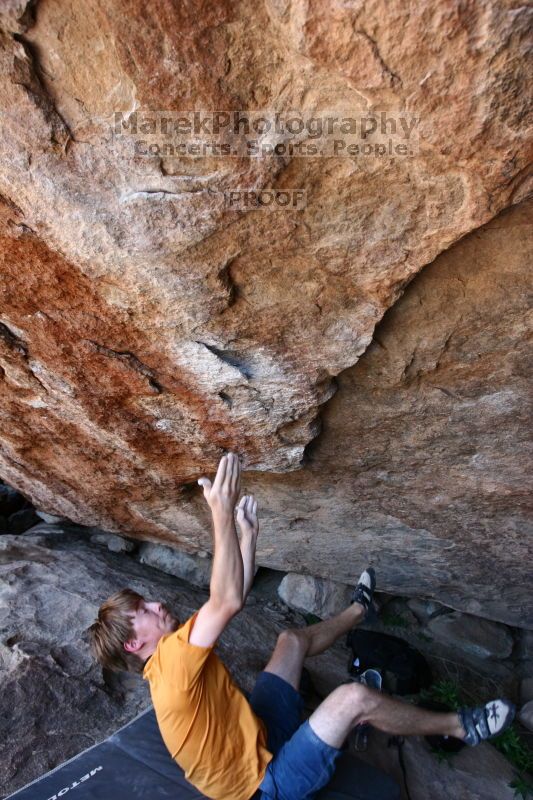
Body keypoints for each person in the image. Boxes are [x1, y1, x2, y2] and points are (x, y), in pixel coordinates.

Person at [89, 452, 515, 800]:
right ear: (133, 643)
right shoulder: (172, 667)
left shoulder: (169, 656)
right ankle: (460, 726)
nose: (156, 602)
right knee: (352, 699)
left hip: (259, 736)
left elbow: (231, 594)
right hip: (266, 785)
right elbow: (226, 600)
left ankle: (358, 612)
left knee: (291, 640)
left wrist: (246, 536)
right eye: (143, 609)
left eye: (146, 599)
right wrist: (219, 515)